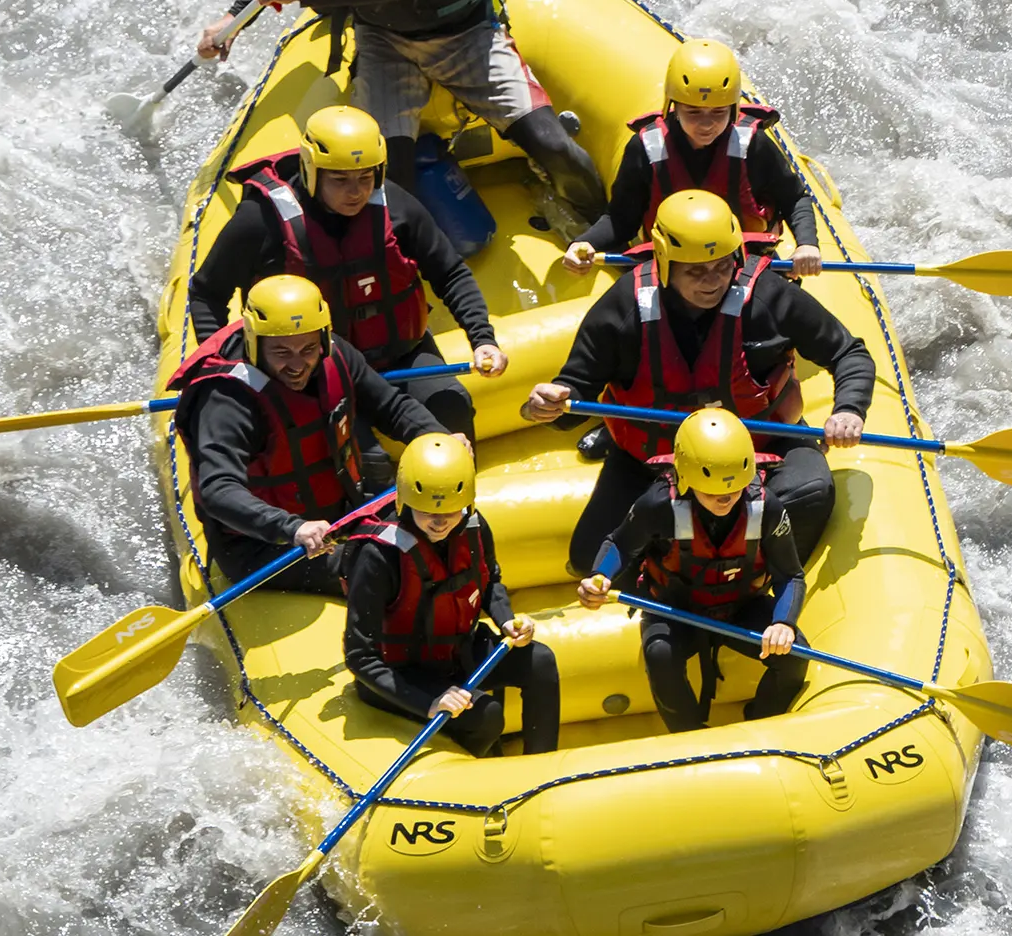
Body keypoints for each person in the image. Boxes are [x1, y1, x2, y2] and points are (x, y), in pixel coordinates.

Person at [195, 0, 605, 223]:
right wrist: (234, 18)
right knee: (388, 185)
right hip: (383, 41)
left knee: (555, 147)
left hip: (467, 36)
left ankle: (603, 228)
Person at [521, 189, 877, 577]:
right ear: (664, 260)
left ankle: (759, 581)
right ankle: (673, 577)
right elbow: (575, 395)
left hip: (762, 449)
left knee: (808, 493)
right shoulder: (624, 308)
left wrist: (849, 408)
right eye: (696, 271)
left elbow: (849, 353)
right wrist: (551, 403)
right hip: (655, 462)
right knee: (592, 559)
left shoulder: (770, 297)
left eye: (723, 266)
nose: (713, 281)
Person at [189, 106, 505, 457]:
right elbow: (206, 292)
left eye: (365, 177)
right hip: (312, 370)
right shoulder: (259, 223)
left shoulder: (396, 205)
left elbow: (450, 273)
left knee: (452, 406)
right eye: (340, 180)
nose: (356, 192)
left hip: (401, 353)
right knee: (366, 457)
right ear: (311, 170)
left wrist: (481, 337)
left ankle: (458, 507)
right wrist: (223, 369)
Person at [168, 274, 448, 595]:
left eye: (308, 349)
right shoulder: (227, 400)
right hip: (263, 547)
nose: (298, 365)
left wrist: (440, 440)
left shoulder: (335, 354)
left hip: (342, 515)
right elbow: (218, 490)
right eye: (282, 352)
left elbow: (391, 407)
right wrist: (293, 528)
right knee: (388, 568)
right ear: (253, 341)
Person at [577, 410, 807, 732]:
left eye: (734, 489)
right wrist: (599, 576)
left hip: (742, 606)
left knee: (796, 655)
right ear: (686, 477)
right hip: (674, 608)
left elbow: (791, 575)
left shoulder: (766, 508)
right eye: (712, 493)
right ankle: (688, 733)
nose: (725, 499)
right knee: (660, 656)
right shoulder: (658, 505)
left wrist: (784, 622)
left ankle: (763, 723)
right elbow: (620, 544)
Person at [343, 434, 560, 757]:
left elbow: (490, 582)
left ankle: (542, 766)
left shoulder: (473, 526)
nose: (440, 521)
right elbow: (359, 656)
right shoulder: (379, 557)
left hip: (457, 654)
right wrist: (429, 701)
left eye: (451, 510)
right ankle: (474, 773)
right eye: (427, 510)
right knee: (487, 714)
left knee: (539, 661)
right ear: (405, 500)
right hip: (404, 675)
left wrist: (506, 620)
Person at [562, 40, 823, 279]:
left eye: (718, 112)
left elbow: (794, 198)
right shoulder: (646, 147)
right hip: (673, 272)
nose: (707, 124)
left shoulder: (754, 144)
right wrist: (586, 242)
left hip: (744, 265)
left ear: (732, 108)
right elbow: (621, 219)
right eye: (694, 112)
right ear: (673, 105)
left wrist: (807, 244)